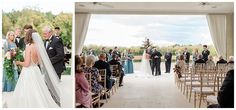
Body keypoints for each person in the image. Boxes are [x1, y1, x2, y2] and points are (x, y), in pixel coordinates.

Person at [6, 29, 60, 107]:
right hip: (36, 70)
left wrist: (18, 62)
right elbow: (38, 62)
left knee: (28, 91)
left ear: (28, 36)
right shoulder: (38, 46)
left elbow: (27, 64)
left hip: (28, 72)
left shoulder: (29, 46)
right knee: (38, 91)